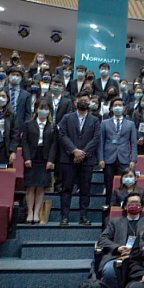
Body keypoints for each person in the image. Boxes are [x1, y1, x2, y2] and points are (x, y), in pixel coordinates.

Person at [58, 92, 100, 226]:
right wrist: (74, 151)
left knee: (85, 189)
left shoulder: (95, 120)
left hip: (87, 160)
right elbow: (62, 135)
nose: (84, 102)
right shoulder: (66, 117)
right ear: (76, 102)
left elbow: (96, 138)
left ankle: (84, 216)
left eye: (86, 100)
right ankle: (64, 216)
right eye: (81, 100)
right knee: (66, 188)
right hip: (68, 158)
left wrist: (83, 153)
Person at [97, 191, 144, 288]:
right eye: (131, 203)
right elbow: (102, 239)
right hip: (117, 256)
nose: (134, 205)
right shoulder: (115, 222)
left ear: (141, 207)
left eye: (137, 203)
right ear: (125, 206)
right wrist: (118, 248)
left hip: (140, 258)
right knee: (109, 271)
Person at [22, 99, 58, 224]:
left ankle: (36, 213)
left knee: (41, 187)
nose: (44, 110)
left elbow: (54, 144)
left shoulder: (53, 126)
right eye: (41, 108)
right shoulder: (28, 124)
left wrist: (51, 160)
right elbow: (24, 142)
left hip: (45, 157)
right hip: (32, 157)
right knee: (30, 186)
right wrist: (26, 158)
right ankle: (29, 212)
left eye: (46, 108)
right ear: (36, 109)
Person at [97, 97, 136, 207]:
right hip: (108, 157)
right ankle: (109, 202)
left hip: (123, 157)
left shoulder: (130, 124)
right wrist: (100, 158)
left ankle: (122, 203)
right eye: (115, 105)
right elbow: (101, 142)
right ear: (111, 108)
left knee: (124, 182)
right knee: (108, 182)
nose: (118, 107)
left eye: (120, 105)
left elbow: (133, 143)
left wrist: (133, 159)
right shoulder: (104, 123)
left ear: (124, 108)